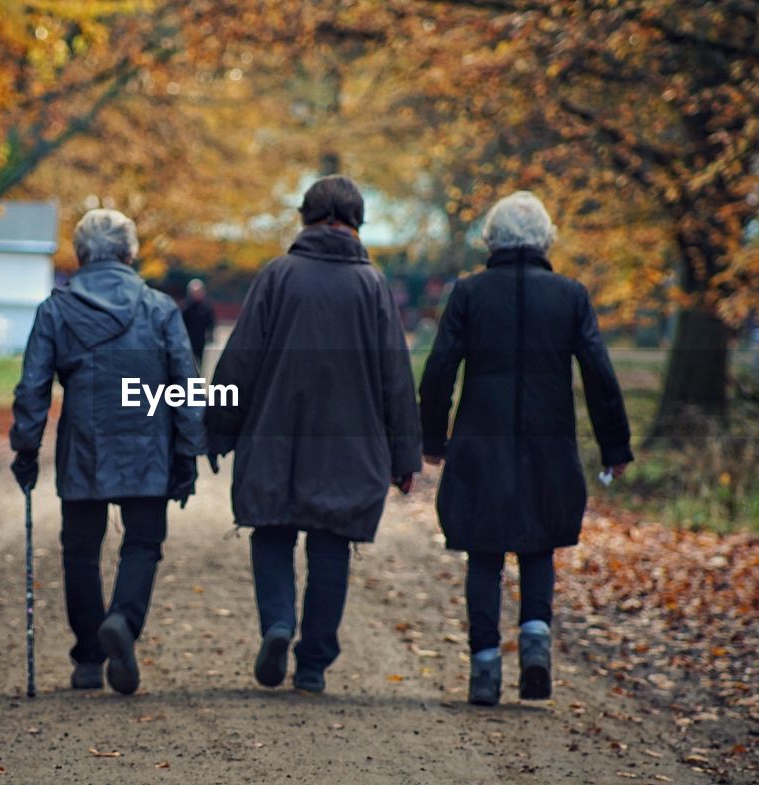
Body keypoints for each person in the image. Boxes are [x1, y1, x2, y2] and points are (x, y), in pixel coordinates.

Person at [206, 175, 421, 693]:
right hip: (350, 443)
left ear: (306, 216)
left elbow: (240, 363)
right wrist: (404, 454)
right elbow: (396, 376)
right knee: (331, 545)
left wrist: (217, 429)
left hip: (273, 435)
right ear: (355, 223)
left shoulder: (277, 276)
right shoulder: (372, 286)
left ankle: (278, 622)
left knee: (273, 532)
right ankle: (313, 663)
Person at [418, 191, 633, 706]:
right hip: (549, 439)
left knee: (484, 552)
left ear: (492, 239)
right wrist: (614, 445)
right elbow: (599, 373)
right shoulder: (570, 295)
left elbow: (441, 368)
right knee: (539, 546)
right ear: (544, 239)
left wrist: (432, 439)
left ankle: (485, 667)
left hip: (480, 440)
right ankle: (535, 637)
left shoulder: (469, 293)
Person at [9, 209, 204, 696]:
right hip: (147, 442)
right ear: (130, 252)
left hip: (85, 444)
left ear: (80, 254)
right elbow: (186, 384)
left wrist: (26, 448)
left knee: (80, 548)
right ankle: (122, 619)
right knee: (143, 541)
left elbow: (33, 387)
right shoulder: (160, 308)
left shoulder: (56, 310)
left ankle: (89, 658)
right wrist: (187, 451)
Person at [182, 278, 216, 372]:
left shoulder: (206, 307)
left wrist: (210, 334)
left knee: (200, 362)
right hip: (189, 340)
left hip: (201, 340)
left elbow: (211, 322)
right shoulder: (186, 307)